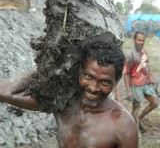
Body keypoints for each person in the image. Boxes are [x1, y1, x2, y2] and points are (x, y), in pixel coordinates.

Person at [0, 41, 138, 148]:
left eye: (105, 82)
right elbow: (5, 92)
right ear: (78, 71)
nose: (93, 88)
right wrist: (49, 68)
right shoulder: (62, 104)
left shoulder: (123, 124)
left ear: (117, 80)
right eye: (88, 77)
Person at [123, 31, 159, 133]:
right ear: (134, 40)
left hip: (146, 82)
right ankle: (135, 129)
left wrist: (152, 79)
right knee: (136, 106)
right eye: (139, 40)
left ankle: (139, 118)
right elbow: (126, 73)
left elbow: (147, 66)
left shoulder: (144, 52)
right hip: (135, 84)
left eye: (143, 40)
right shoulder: (130, 55)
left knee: (155, 103)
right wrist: (128, 90)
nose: (141, 42)